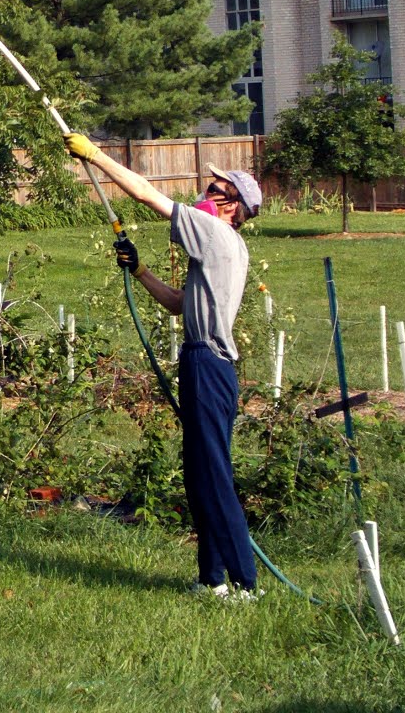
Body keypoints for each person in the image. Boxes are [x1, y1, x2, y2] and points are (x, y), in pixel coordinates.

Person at [63, 133, 264, 598]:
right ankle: (213, 580)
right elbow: (179, 303)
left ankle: (245, 583)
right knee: (199, 476)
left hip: (208, 365)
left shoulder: (216, 233)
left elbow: (145, 193)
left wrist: (95, 156)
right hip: (205, 363)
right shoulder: (221, 246)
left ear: (233, 206)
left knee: (213, 475)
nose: (205, 190)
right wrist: (140, 272)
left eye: (216, 189)